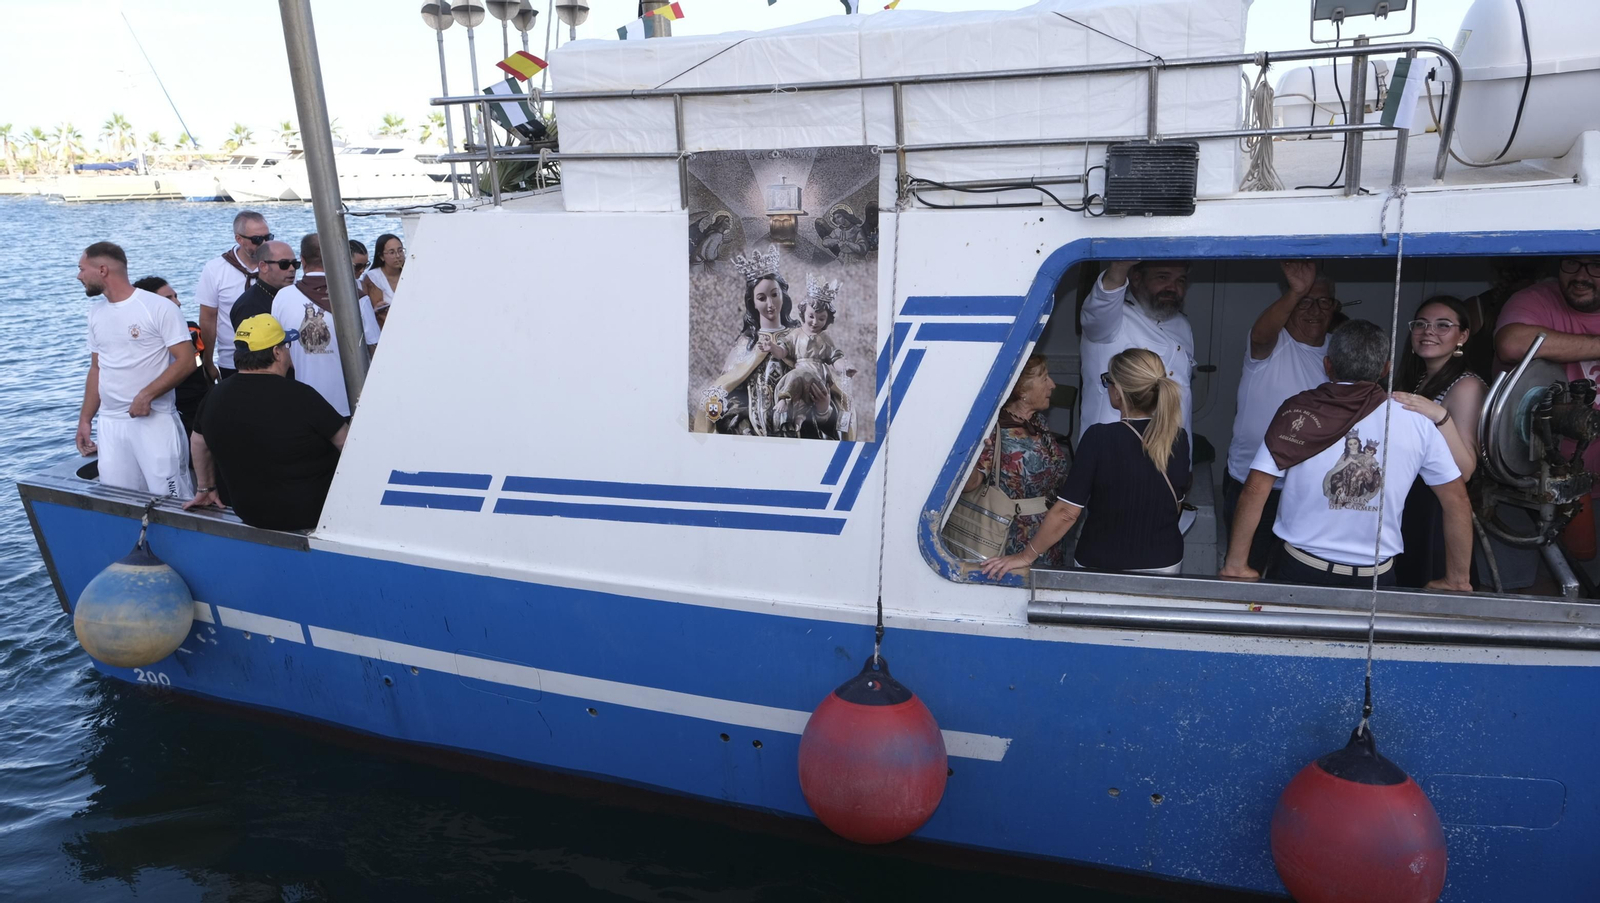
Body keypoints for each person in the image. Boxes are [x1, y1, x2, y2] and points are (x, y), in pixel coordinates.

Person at [1220, 320, 1473, 590]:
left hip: (1300, 568)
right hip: (1376, 576)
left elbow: (1255, 488)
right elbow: (1456, 500)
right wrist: (1457, 579)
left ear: (1327, 365)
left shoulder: (1298, 411)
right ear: (1386, 369)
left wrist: (1236, 564)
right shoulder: (1417, 420)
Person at [981, 348, 1189, 577]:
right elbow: (1175, 504)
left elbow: (1067, 512)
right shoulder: (1178, 438)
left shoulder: (1099, 438)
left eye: (1108, 380)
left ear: (1118, 392)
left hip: (1102, 562)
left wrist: (1025, 556)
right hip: (1164, 561)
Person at [1224, 262, 1342, 573]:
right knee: (1245, 571)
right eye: (1305, 302)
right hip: (1251, 485)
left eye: (1323, 301)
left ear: (1334, 307)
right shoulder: (1274, 343)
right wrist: (1295, 292)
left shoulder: (1339, 352)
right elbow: (1260, 335)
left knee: (1292, 575)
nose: (1314, 310)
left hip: (1309, 491)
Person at [184, 314, 348, 531]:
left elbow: (198, 441)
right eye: (286, 346)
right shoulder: (301, 396)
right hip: (314, 515)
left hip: (250, 514)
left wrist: (205, 488)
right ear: (276, 352)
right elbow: (347, 443)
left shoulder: (214, 395)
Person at [75, 243, 196, 498]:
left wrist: (146, 395)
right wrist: (85, 420)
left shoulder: (158, 307)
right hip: (111, 423)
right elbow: (97, 369)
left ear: (103, 270)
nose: (79, 276)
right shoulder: (96, 313)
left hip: (155, 420)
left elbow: (186, 361)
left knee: (171, 500)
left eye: (82, 269)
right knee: (118, 500)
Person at [1391, 296, 1486, 588]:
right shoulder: (1416, 378)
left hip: (1436, 511)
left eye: (1443, 325)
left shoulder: (1467, 385)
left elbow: (1465, 470)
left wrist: (1440, 416)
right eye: (1421, 324)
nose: (1428, 331)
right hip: (1409, 503)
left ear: (1463, 336)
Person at [692, 245, 831, 437]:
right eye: (762, 298)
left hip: (796, 433)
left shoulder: (800, 337)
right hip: (753, 435)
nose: (770, 304)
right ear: (753, 303)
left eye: (774, 294)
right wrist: (742, 424)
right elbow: (727, 393)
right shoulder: (746, 344)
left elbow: (818, 385)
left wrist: (823, 408)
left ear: (783, 294)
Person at [962, 354, 1072, 569]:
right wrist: (968, 455)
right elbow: (970, 484)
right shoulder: (995, 428)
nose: (1052, 385)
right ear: (1022, 390)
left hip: (1046, 537)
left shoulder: (1038, 422)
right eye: (1044, 378)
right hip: (1010, 540)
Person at [1078, 260, 1194, 444]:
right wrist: (1120, 266)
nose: (1172, 288)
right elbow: (1103, 299)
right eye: (1162, 277)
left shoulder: (1182, 325)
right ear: (1137, 278)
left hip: (1173, 449)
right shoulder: (1110, 318)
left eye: (1180, 280)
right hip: (1113, 448)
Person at [271, 233, 381, 417]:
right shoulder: (357, 298)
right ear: (337, 258)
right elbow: (375, 349)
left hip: (305, 401)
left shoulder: (282, 297)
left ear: (303, 261)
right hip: (352, 402)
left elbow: (279, 351)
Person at [770, 273, 857, 439]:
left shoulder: (825, 338)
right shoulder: (795, 334)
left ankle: (786, 401)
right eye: (811, 316)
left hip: (818, 378)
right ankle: (795, 413)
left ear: (827, 319)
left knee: (807, 386)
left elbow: (835, 358)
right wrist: (772, 347)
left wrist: (845, 368)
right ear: (803, 313)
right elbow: (782, 352)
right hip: (799, 376)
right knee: (797, 381)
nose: (815, 322)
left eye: (821, 318)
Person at [197, 211, 270, 380]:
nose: (265, 244)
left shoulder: (277, 265)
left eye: (268, 237)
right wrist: (208, 362)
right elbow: (208, 319)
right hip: (232, 361)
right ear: (239, 239)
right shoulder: (215, 269)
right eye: (257, 239)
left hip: (273, 358)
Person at [133, 276, 210, 435]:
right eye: (168, 298)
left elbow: (199, 364)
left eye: (176, 296)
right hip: (170, 408)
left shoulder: (192, 330)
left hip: (201, 403)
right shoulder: (144, 342)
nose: (178, 302)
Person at [229, 240, 299, 329]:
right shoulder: (248, 306)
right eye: (284, 264)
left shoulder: (295, 295)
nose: (292, 269)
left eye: (295, 264)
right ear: (263, 266)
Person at [364, 233, 403, 328]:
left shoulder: (411, 272)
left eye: (400, 250)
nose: (398, 256)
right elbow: (380, 316)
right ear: (381, 256)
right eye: (392, 252)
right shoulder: (374, 278)